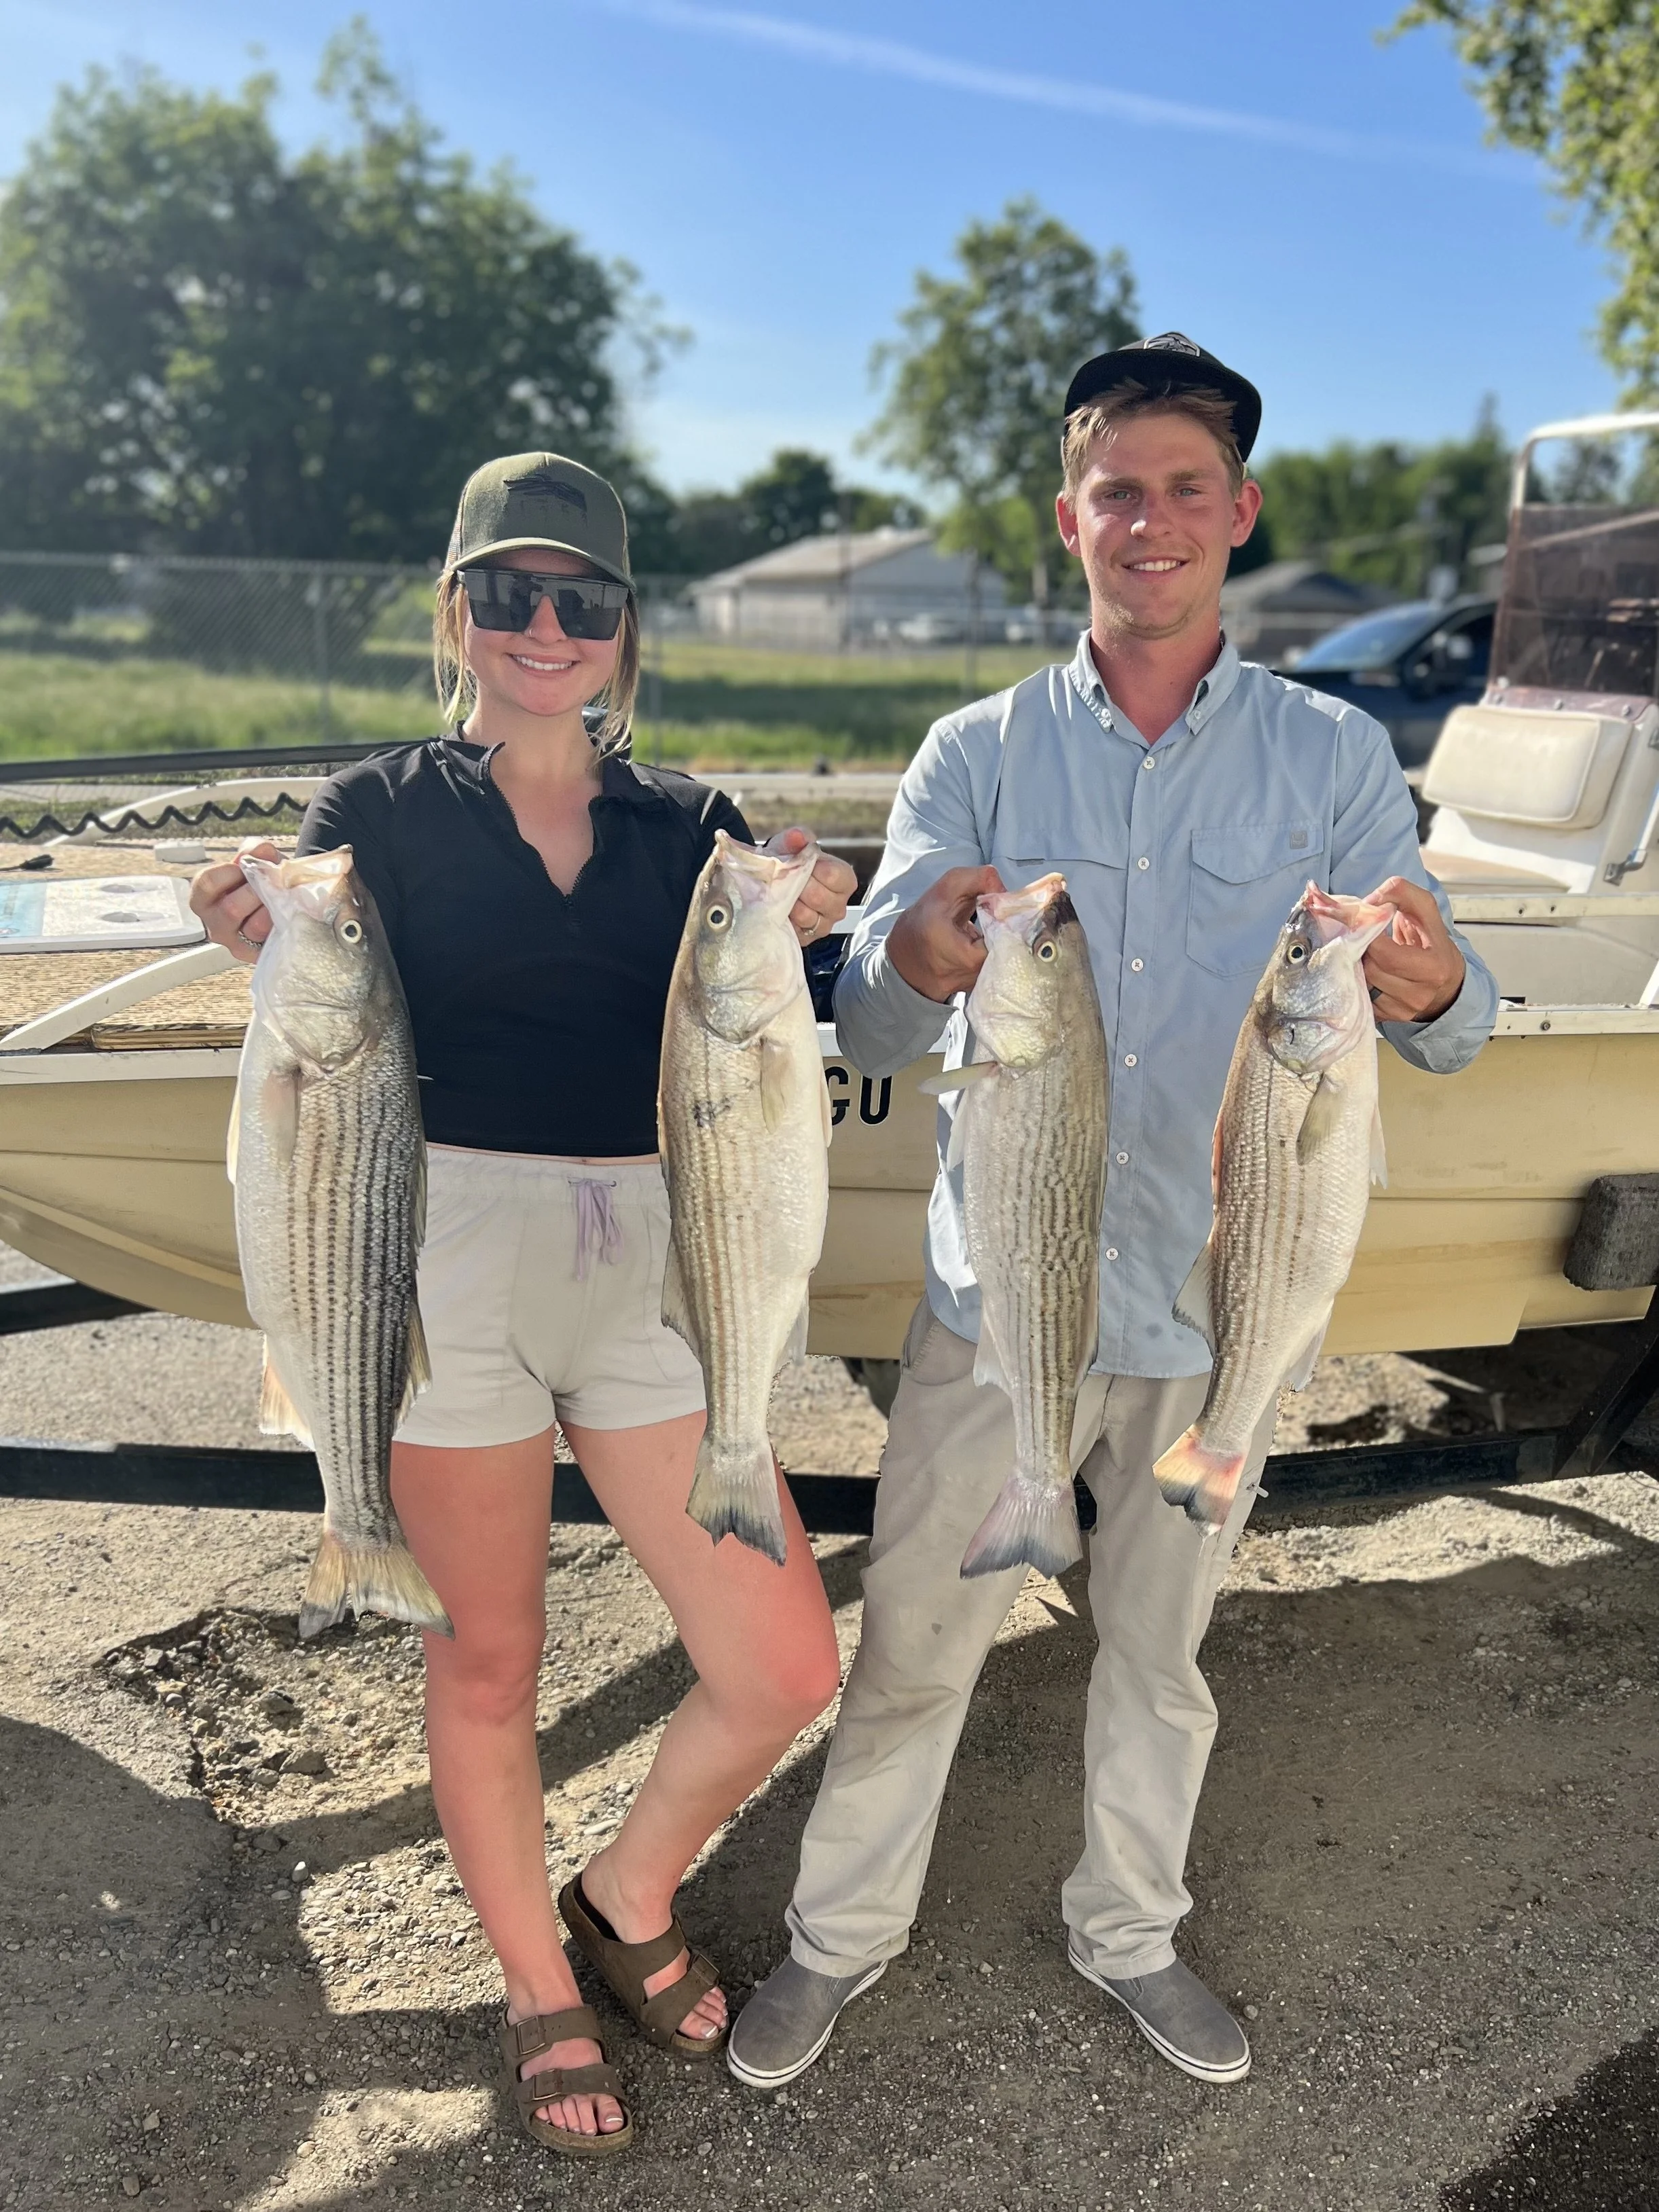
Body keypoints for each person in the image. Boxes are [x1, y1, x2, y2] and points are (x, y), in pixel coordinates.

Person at [728, 335, 1498, 2092]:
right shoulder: (972, 749)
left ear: (1241, 513)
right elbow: (869, 1022)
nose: (1149, 521)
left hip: (1209, 1322)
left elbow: (1449, 1025)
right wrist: (918, 958)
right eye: (1116, 491)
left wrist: (1438, 979)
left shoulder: (1332, 756)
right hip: (995, 1308)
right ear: (1067, 519)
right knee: (911, 1648)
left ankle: (1130, 1927)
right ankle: (838, 1933)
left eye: (1183, 489)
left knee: (1159, 1663)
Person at [190, 452, 855, 2159]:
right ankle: (538, 1981)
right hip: (433, 1249)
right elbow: (316, 1006)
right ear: (456, 610)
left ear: (626, 626)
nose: (545, 626)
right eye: (509, 591)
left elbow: (782, 1008)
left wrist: (827, 908)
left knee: (784, 1658)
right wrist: (248, 934)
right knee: (489, 1660)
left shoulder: (692, 826)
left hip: (657, 1257)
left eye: (584, 597)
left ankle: (623, 1887)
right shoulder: (375, 809)